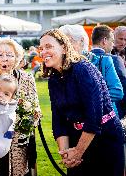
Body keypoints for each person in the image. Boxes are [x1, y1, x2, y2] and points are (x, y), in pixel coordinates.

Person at [40, 29, 124, 176]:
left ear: (64, 48)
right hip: (76, 138)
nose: (43, 52)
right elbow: (58, 119)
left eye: (48, 46)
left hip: (105, 139)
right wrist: (66, 153)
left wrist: (78, 152)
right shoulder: (54, 79)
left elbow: (94, 116)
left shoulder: (82, 69)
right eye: (41, 48)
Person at [0, 38, 42, 176]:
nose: (5, 59)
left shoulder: (27, 79)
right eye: (0, 55)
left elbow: (36, 110)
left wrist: (24, 120)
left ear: (16, 58)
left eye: (10, 55)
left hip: (18, 145)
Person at [59, 24, 124, 116]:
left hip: (104, 120)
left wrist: (86, 98)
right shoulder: (63, 67)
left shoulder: (103, 61)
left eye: (69, 41)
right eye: (62, 43)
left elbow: (117, 92)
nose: (65, 47)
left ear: (81, 40)